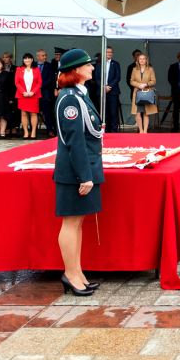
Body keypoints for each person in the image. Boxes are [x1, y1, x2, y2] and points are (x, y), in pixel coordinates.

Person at [52, 49, 104, 297]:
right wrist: (85, 176)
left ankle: (77, 272)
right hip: (75, 172)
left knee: (78, 222)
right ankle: (70, 274)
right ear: (75, 70)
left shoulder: (80, 94)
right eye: (87, 65)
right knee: (71, 223)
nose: (92, 68)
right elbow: (74, 141)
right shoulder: (70, 98)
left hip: (85, 167)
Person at [14, 52, 43, 139]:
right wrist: (23, 92)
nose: (27, 60)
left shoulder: (36, 69)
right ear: (23, 60)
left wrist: (33, 92)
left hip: (33, 95)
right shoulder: (19, 69)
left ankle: (33, 131)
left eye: (29, 58)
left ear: (32, 59)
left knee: (33, 114)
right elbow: (17, 82)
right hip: (22, 95)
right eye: (25, 58)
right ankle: (26, 132)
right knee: (23, 114)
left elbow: (39, 82)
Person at [129, 53, 157, 134]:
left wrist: (145, 84)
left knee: (146, 112)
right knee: (137, 113)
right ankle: (140, 130)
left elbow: (153, 81)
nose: (142, 60)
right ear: (138, 60)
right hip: (137, 93)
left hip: (147, 92)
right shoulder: (134, 69)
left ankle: (145, 131)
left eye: (143, 59)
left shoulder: (150, 69)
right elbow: (131, 81)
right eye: (140, 59)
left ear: (146, 60)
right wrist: (139, 85)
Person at [96, 47, 121, 133]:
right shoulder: (99, 65)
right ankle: (105, 131)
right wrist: (103, 87)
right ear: (104, 53)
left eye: (111, 52)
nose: (109, 54)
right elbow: (97, 78)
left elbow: (118, 77)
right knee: (103, 113)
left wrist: (109, 86)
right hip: (102, 92)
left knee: (113, 113)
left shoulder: (116, 64)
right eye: (108, 52)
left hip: (113, 91)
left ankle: (114, 131)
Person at [37, 49, 57, 138]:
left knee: (47, 111)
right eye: (43, 55)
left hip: (45, 91)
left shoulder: (49, 65)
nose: (45, 57)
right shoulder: (32, 65)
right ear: (38, 57)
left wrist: (40, 85)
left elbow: (51, 78)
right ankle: (31, 130)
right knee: (33, 112)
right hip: (33, 92)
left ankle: (49, 129)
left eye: (45, 55)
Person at [168, 51, 180, 132]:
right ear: (177, 57)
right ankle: (176, 127)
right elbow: (170, 79)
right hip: (176, 91)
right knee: (176, 110)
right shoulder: (173, 66)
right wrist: (177, 86)